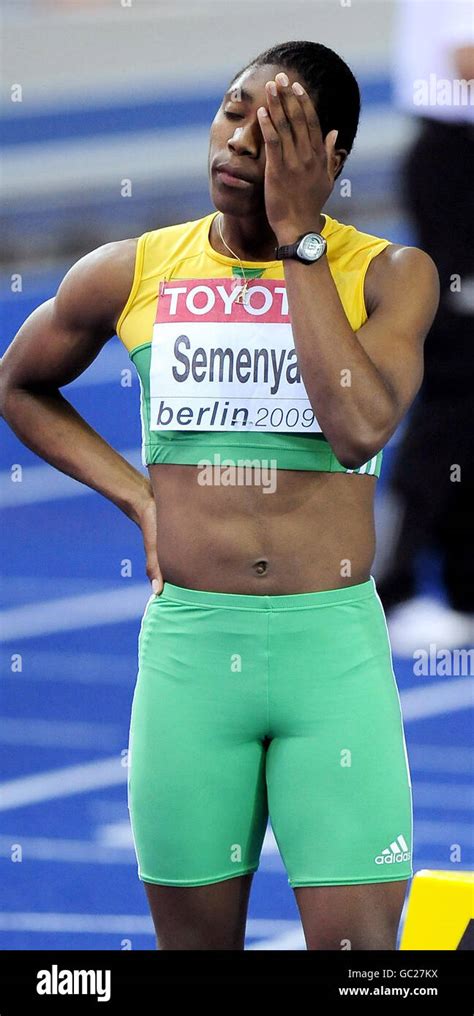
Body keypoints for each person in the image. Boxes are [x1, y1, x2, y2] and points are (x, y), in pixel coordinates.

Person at [0, 40, 439, 950]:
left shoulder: (390, 277)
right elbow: (19, 383)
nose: (240, 140)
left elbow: (360, 428)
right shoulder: (132, 270)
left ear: (330, 160)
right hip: (193, 658)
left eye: (275, 129)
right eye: (233, 110)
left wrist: (300, 243)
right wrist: (140, 502)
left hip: (333, 660)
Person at [377, 0, 474, 652]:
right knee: (453, 386)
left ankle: (465, 581)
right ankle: (390, 585)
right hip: (455, 165)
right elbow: (465, 60)